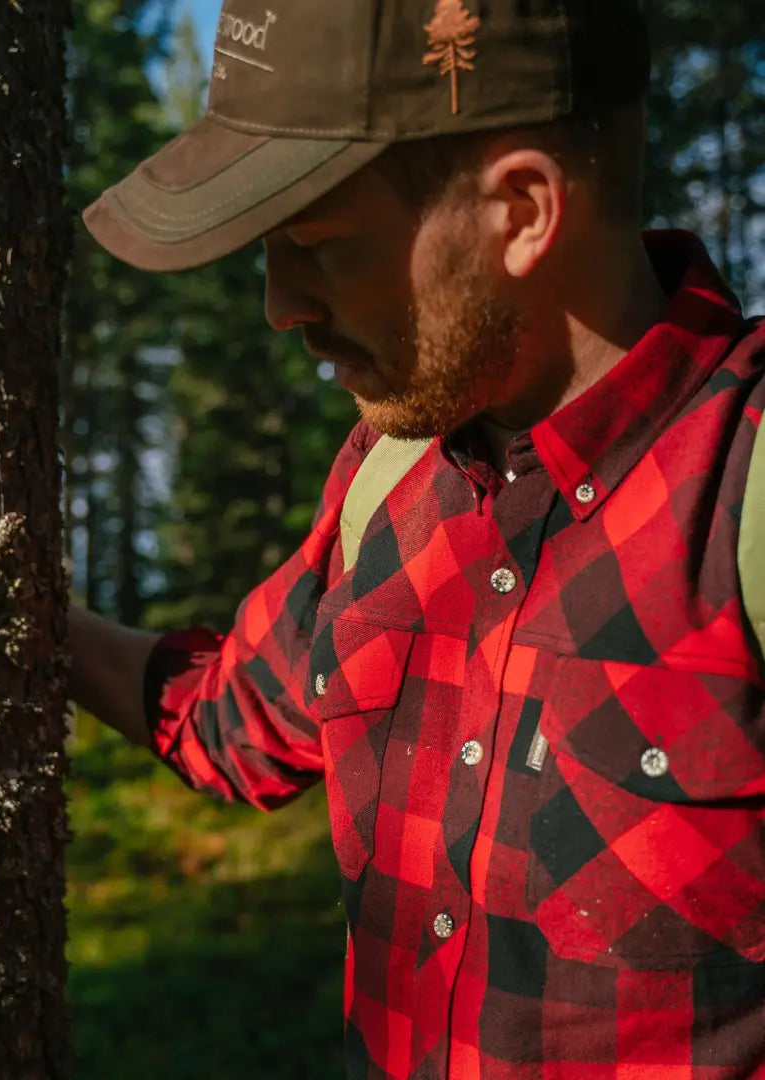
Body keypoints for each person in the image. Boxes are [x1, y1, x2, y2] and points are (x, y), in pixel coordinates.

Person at [70, 0, 765, 1077]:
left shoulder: (744, 495)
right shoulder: (390, 477)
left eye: (313, 244)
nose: (279, 305)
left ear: (523, 211)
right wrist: (21, 624)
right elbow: (235, 721)